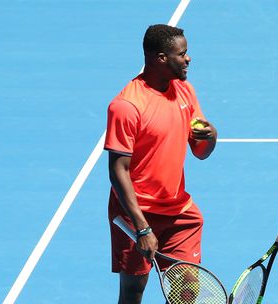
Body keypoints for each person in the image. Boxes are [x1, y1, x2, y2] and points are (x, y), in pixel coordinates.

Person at [104, 24, 217, 304]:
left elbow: (201, 152)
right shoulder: (127, 106)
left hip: (179, 211)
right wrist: (142, 229)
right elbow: (118, 171)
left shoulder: (185, 92)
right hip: (136, 213)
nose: (188, 59)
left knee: (187, 290)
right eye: (182, 54)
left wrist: (212, 136)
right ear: (160, 58)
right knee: (133, 292)